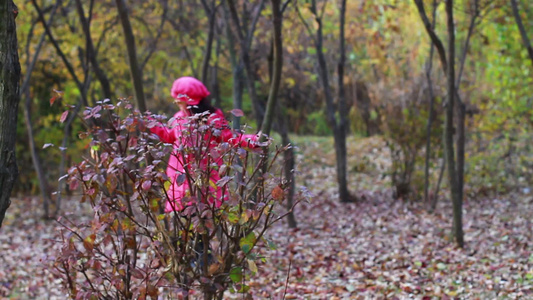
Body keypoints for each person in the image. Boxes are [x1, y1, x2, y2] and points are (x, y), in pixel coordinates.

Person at [149, 76, 257, 213]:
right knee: (184, 221)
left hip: (206, 175)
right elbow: (171, 137)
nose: (178, 105)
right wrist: (151, 125)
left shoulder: (212, 118)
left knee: (205, 216)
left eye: (180, 102)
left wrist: (252, 140)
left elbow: (228, 138)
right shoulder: (178, 117)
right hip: (180, 176)